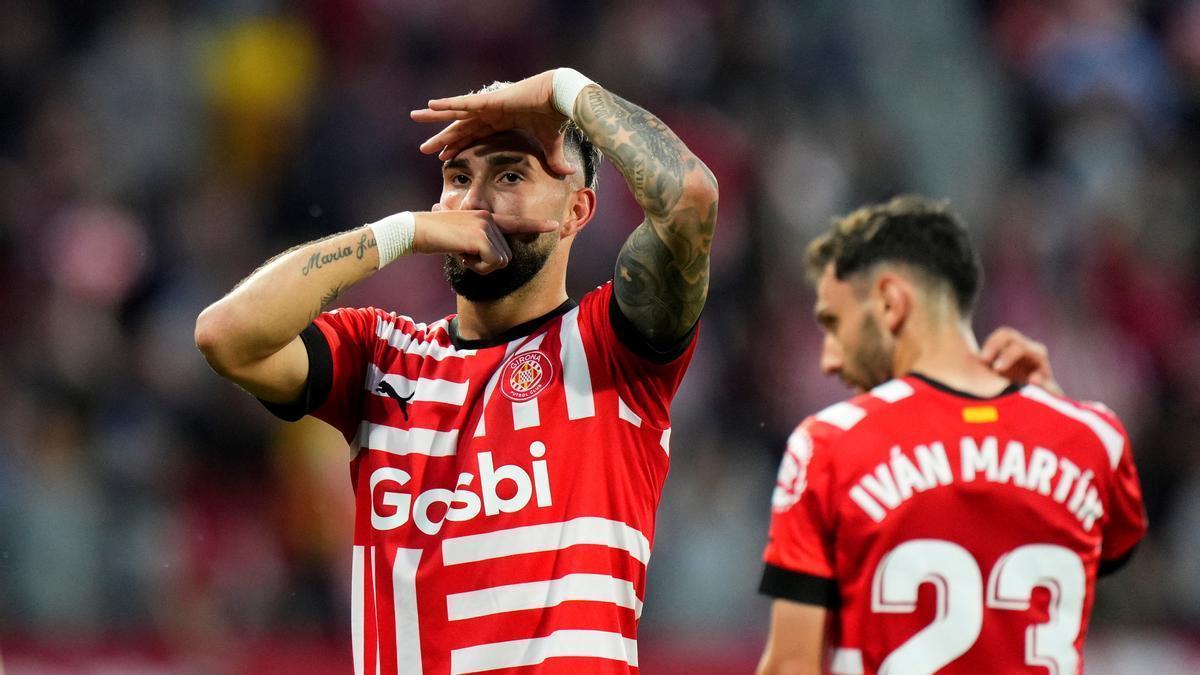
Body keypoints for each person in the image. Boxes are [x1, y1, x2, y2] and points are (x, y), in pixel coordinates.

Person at [194, 68, 717, 674]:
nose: (474, 200)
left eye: (511, 175)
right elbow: (225, 336)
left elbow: (689, 199)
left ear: (577, 210)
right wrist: (402, 231)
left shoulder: (609, 346)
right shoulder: (381, 355)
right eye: (458, 177)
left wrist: (568, 90)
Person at [755, 196, 1146, 675]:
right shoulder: (1095, 439)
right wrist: (1054, 405)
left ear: (890, 302)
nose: (829, 359)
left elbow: (793, 666)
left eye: (835, 325)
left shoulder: (828, 445)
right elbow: (1109, 552)